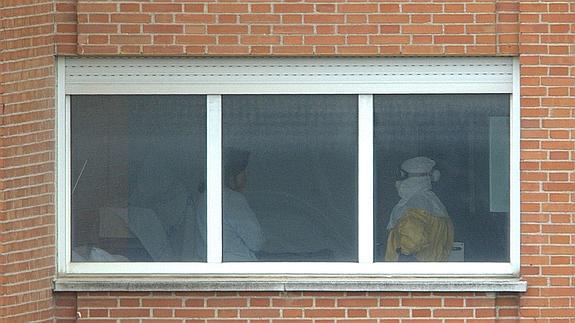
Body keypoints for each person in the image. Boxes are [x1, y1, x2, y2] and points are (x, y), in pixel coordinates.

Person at [196, 148, 264, 261]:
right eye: (244, 172)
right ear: (233, 173)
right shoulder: (232, 199)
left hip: (212, 269)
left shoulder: (204, 199)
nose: (246, 178)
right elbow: (256, 242)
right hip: (237, 270)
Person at [385, 156, 454, 262]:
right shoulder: (434, 204)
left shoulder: (414, 205)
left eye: (402, 175)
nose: (398, 181)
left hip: (411, 274)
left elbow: (412, 241)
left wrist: (404, 257)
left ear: (414, 178)